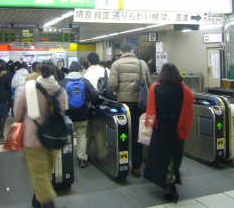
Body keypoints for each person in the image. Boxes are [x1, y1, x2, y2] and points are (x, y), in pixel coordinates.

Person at [14, 62, 68, 208]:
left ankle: (48, 203)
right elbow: (64, 109)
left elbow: (17, 115)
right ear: (54, 74)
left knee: (39, 176)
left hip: (33, 139)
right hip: (54, 138)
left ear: (39, 73)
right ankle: (37, 200)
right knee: (44, 174)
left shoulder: (28, 89)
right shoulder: (61, 91)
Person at [143, 63, 194, 203]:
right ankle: (171, 183)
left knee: (161, 158)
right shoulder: (184, 90)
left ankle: (170, 188)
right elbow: (189, 106)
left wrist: (148, 126)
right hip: (177, 130)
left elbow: (151, 109)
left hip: (161, 130)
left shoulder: (156, 88)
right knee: (174, 157)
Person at [108, 43, 152, 177]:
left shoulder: (116, 64)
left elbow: (112, 85)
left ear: (121, 52)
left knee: (124, 133)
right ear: (133, 50)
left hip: (124, 105)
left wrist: (118, 91)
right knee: (138, 135)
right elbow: (149, 83)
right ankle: (137, 167)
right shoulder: (142, 64)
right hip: (140, 104)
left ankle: (124, 162)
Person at [61, 61, 99, 168]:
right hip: (82, 114)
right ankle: (82, 159)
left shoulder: (63, 82)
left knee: (67, 137)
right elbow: (95, 95)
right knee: (81, 135)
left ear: (69, 70)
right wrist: (89, 103)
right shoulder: (84, 81)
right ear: (80, 70)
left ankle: (66, 157)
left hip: (67, 115)